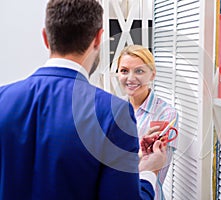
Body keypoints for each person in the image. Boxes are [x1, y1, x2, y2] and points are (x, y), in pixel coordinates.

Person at [0, 0, 167, 200]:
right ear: (98, 38)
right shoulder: (113, 112)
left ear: (45, 37)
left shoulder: (3, 99)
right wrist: (149, 172)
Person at [117, 44, 179, 200]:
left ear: (152, 74)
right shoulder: (115, 110)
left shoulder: (166, 114)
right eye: (124, 70)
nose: (131, 78)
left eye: (139, 71)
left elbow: (156, 166)